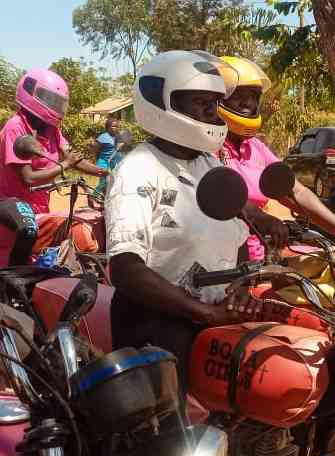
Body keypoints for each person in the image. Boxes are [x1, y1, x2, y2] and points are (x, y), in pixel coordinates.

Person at [105, 51, 286, 389]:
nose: (211, 112)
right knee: (171, 437)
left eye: (215, 103)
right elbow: (126, 267)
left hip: (211, 323)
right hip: (156, 328)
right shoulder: (139, 168)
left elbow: (236, 223)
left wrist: (239, 288)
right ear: (163, 103)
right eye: (201, 101)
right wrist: (204, 312)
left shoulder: (209, 165)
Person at [217, 56, 335, 260]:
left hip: (260, 257)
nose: (249, 102)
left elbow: (294, 190)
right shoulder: (208, 148)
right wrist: (262, 218)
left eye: (254, 96)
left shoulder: (255, 147)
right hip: (220, 262)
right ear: (218, 98)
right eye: (238, 95)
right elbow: (224, 195)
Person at [0, 69, 106, 266]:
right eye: (51, 100)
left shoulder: (52, 130)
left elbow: (72, 157)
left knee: (69, 228)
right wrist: (64, 166)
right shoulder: (15, 127)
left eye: (59, 102)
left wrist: (105, 172)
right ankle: (14, 279)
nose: (56, 107)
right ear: (32, 94)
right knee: (28, 231)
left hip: (39, 206)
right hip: (9, 200)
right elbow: (29, 178)